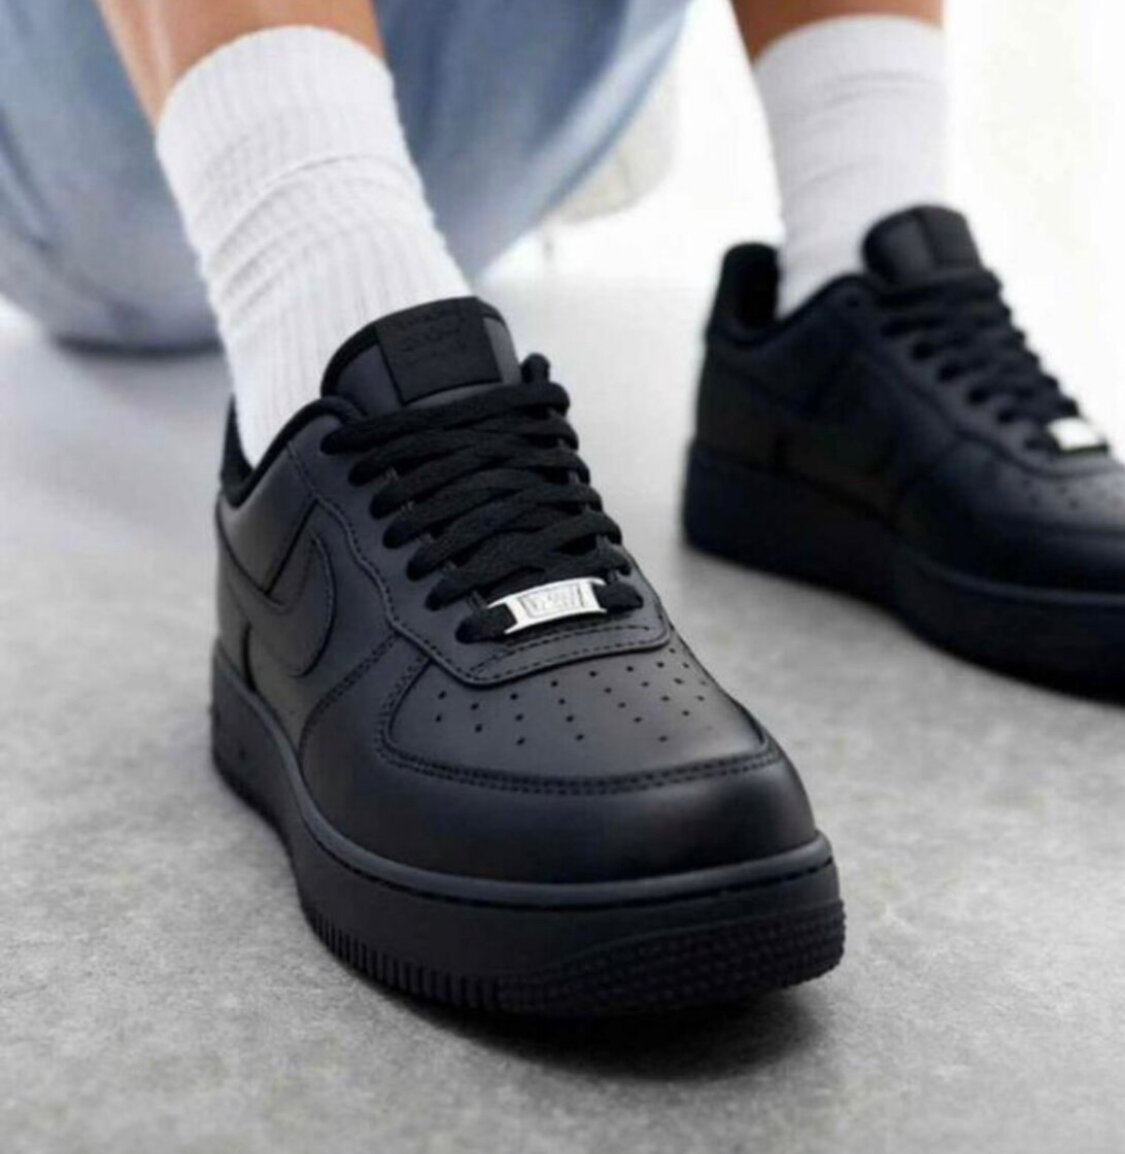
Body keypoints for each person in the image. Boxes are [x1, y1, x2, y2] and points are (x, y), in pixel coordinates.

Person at [2, 0, 1121, 1016]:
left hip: (504, 117)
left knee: (852, 202)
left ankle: (855, 240)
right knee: (326, 247)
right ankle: (322, 279)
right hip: (108, 155)